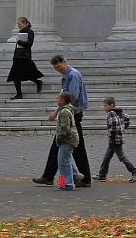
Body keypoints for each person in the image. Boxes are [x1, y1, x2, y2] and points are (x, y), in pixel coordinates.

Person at [32, 54, 92, 187]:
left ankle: (73, 179)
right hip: (70, 112)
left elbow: (72, 97)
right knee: (68, 146)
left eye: (59, 66)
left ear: (65, 62)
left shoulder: (72, 75)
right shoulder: (67, 77)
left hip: (72, 113)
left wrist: (57, 111)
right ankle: (55, 177)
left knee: (65, 146)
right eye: (56, 68)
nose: (58, 70)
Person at [96, 97, 136, 183]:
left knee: (122, 157)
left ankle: (135, 172)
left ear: (111, 105)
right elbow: (127, 118)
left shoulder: (111, 113)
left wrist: (113, 135)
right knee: (107, 157)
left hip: (114, 140)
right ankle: (102, 175)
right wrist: (123, 128)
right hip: (116, 139)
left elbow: (113, 127)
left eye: (105, 106)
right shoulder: (119, 112)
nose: (104, 108)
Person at [6, 17, 43, 99]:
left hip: (24, 57)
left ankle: (38, 82)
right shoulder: (20, 32)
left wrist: (19, 41)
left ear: (25, 23)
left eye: (19, 24)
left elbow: (29, 43)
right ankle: (19, 94)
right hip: (18, 56)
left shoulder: (30, 32)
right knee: (16, 75)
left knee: (28, 73)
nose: (18, 25)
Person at [54, 91, 79, 191]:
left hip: (67, 139)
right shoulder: (67, 109)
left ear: (63, 101)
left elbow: (65, 128)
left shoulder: (64, 111)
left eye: (58, 98)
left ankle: (68, 184)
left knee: (62, 162)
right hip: (70, 139)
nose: (57, 100)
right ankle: (76, 175)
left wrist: (59, 138)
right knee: (66, 160)